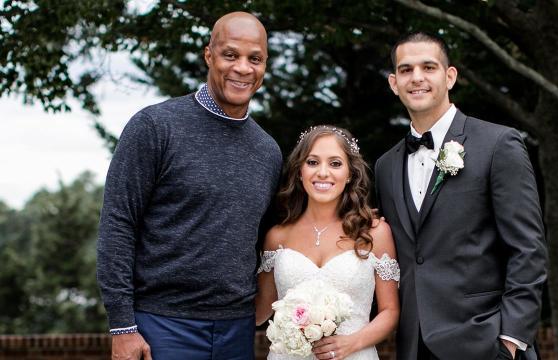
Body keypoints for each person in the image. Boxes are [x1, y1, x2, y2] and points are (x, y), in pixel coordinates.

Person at [96, 12, 282, 360]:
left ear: (264, 65)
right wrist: (122, 327)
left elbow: (268, 239)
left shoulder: (268, 151)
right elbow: (118, 225)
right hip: (160, 326)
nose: (243, 68)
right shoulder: (154, 127)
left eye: (254, 59)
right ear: (209, 55)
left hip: (237, 329)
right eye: (230, 55)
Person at [374, 32, 547, 360]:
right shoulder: (385, 166)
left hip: (485, 342)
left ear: (450, 76)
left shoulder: (498, 145)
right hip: (414, 345)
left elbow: (528, 249)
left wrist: (510, 339)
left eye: (429, 67)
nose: (418, 78)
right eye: (407, 70)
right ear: (394, 83)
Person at [255, 125, 400, 360]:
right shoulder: (277, 236)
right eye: (312, 162)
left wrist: (351, 343)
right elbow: (261, 311)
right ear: (299, 171)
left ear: (350, 173)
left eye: (335, 163)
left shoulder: (374, 233)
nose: (323, 173)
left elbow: (390, 311)